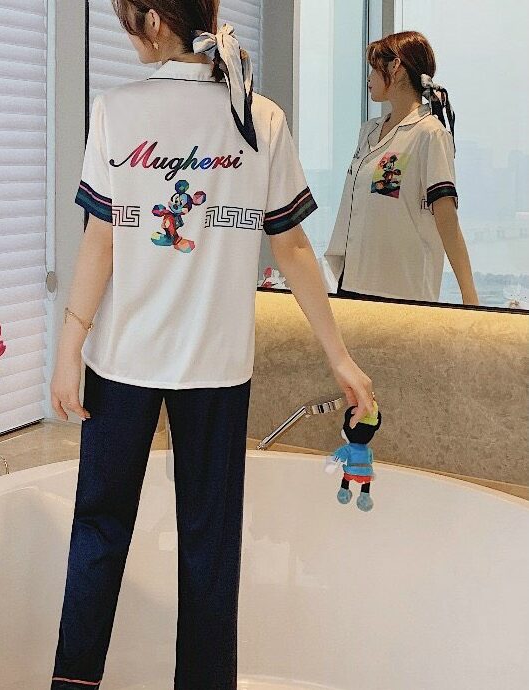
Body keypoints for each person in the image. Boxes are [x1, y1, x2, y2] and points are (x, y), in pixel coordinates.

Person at [50, 2, 375, 688]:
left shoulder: (120, 112)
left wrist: (69, 348)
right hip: (216, 370)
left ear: (153, 21)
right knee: (210, 548)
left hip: (122, 363)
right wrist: (338, 356)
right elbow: (293, 248)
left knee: (99, 531)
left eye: (126, 17)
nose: (125, 31)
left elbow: (100, 240)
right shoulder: (260, 117)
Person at [324, 31, 479, 305]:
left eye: (374, 68)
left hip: (401, 293)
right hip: (352, 285)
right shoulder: (368, 131)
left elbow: (447, 219)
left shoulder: (430, 134)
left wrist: (469, 296)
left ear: (395, 66)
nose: (369, 77)